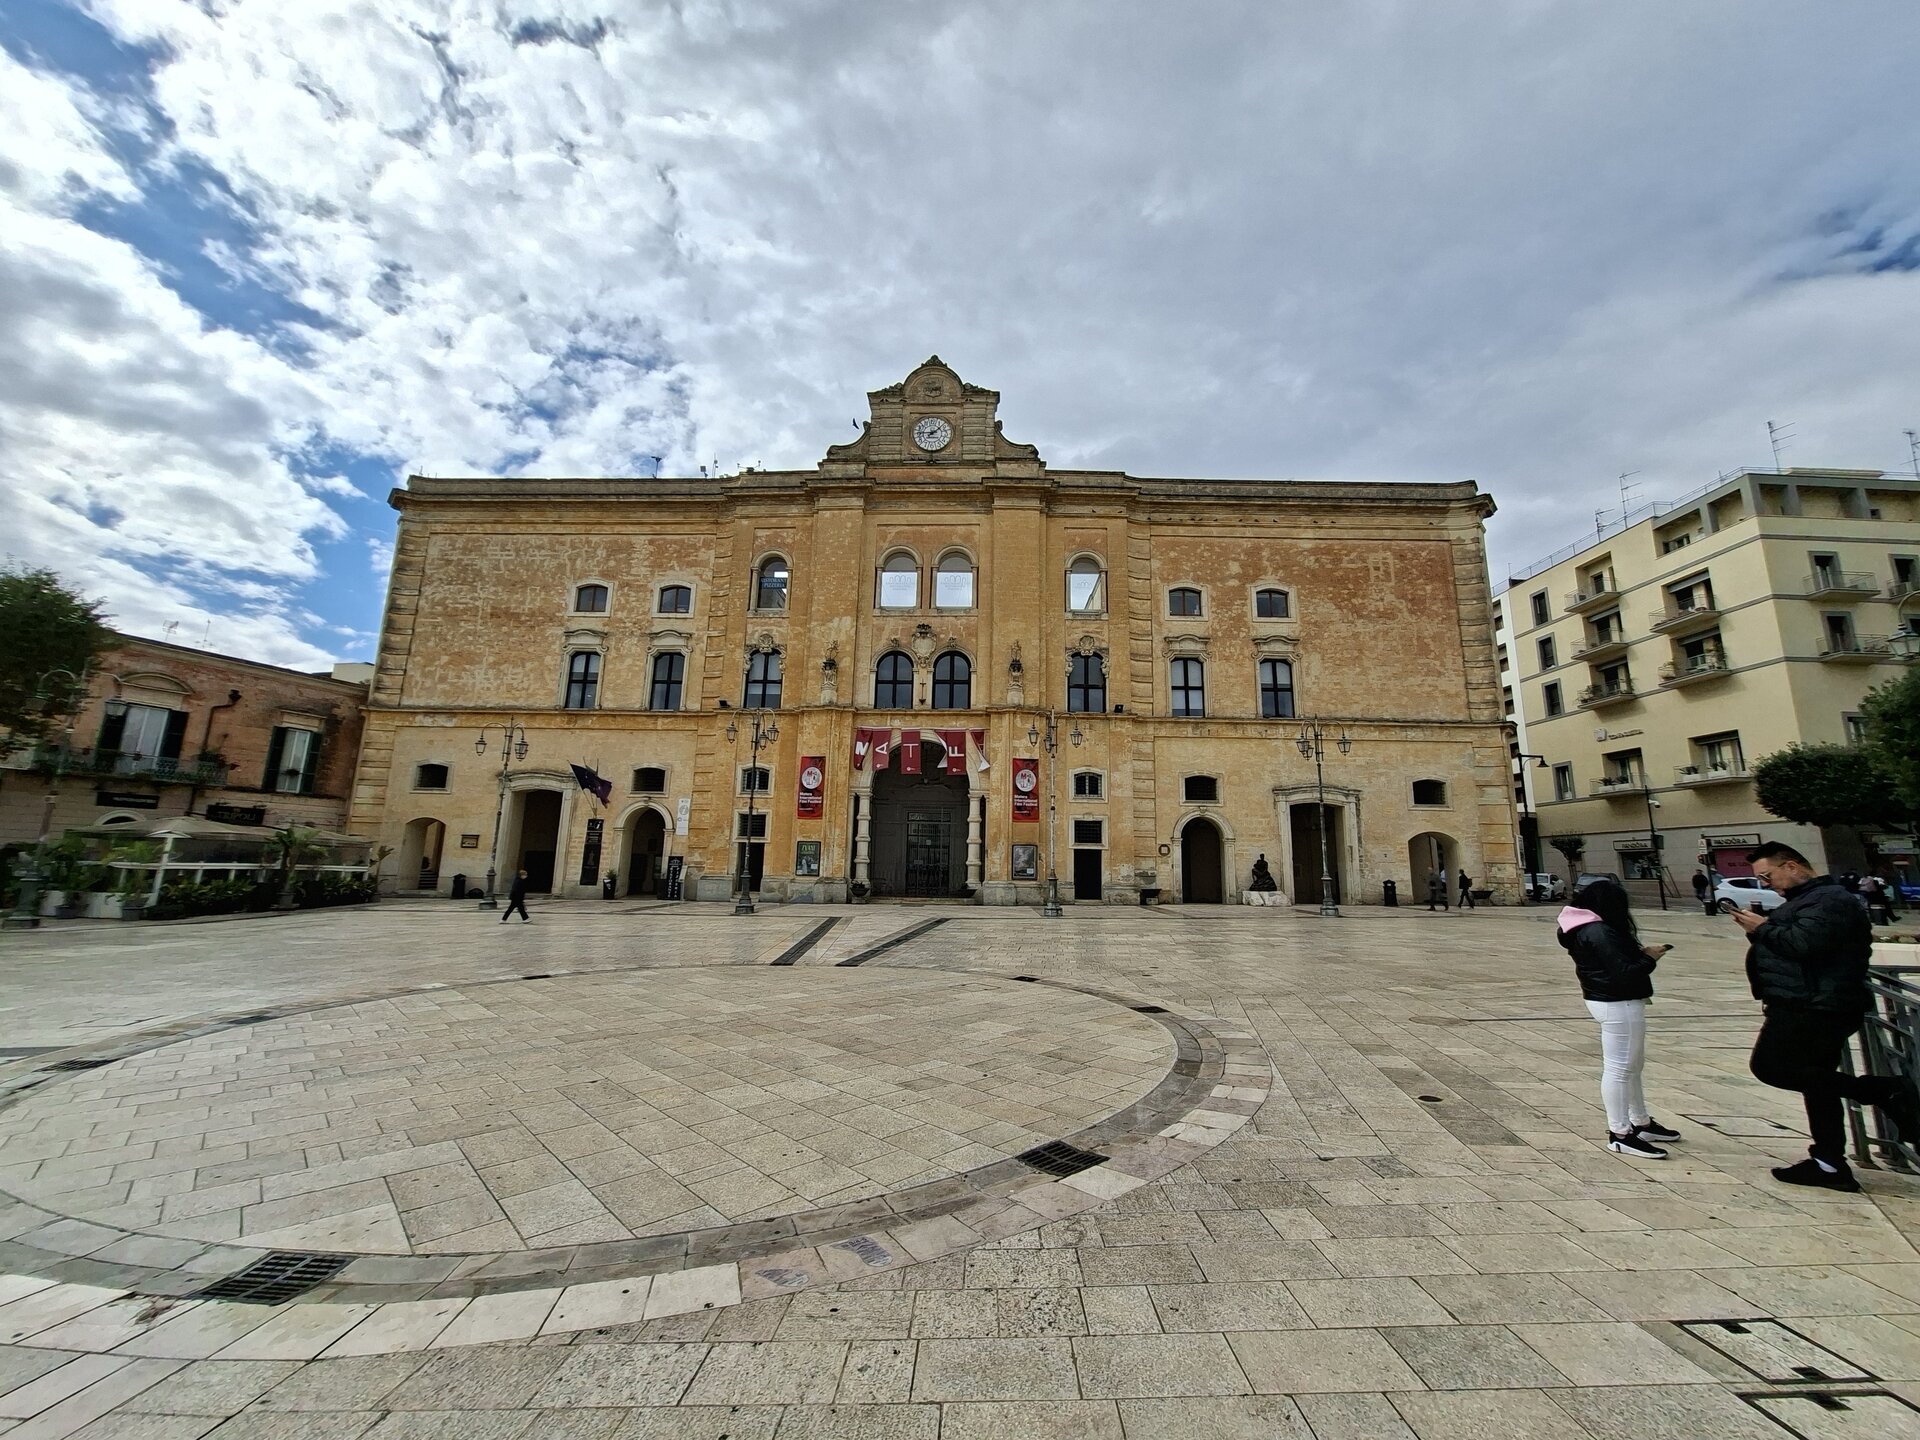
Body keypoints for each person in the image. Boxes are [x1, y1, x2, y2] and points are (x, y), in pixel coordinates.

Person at [1732, 842, 1920, 1190]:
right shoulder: (1808, 900)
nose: (1766, 884)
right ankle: (1828, 1162)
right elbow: (1794, 943)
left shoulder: (1829, 900)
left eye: (1768, 876)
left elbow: (1805, 945)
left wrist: (1762, 928)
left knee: (1771, 1067)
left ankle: (1883, 1091)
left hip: (1815, 1006)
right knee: (1817, 1083)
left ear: (1791, 866)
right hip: (1809, 1001)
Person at [1557, 878, 1681, 1158]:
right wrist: (1650, 958)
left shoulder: (1584, 927)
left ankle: (1641, 1122)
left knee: (1632, 1066)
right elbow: (1625, 972)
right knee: (1619, 1069)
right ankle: (1620, 1133)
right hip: (1617, 1001)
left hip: (1609, 998)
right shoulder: (1599, 930)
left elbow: (1610, 962)